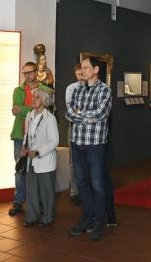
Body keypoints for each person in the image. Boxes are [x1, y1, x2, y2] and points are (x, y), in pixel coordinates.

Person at [65, 56, 112, 241]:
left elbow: (100, 113)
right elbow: (69, 112)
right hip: (77, 143)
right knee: (82, 183)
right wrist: (85, 117)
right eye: (82, 68)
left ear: (95, 70)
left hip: (95, 145)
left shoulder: (104, 90)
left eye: (86, 67)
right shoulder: (77, 89)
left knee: (97, 184)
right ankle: (87, 218)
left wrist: (79, 114)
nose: (82, 71)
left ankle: (99, 221)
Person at [9, 61, 53, 216]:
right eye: (24, 73)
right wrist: (32, 108)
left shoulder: (46, 90)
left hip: (39, 136)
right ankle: (18, 201)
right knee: (20, 168)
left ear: (35, 73)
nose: (27, 75)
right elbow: (16, 111)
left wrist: (23, 109)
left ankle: (38, 202)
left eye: (29, 72)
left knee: (37, 169)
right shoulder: (18, 90)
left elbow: (44, 110)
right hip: (20, 134)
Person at [21, 88, 59, 227]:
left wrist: (38, 152)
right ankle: (31, 216)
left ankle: (47, 218)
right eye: (33, 96)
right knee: (31, 191)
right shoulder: (29, 115)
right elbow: (27, 134)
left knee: (46, 192)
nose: (33, 99)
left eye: (37, 97)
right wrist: (24, 147)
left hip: (45, 160)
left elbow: (54, 141)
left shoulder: (50, 118)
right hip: (31, 160)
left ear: (44, 100)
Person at [65, 64, 85, 205]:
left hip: (89, 130)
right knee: (73, 162)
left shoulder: (93, 88)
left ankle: (86, 190)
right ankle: (74, 192)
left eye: (82, 73)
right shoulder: (71, 88)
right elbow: (71, 110)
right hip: (74, 128)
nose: (80, 76)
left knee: (89, 161)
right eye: (78, 74)